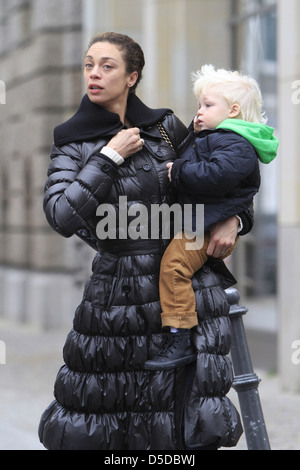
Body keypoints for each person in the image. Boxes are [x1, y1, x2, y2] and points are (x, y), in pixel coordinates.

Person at [38, 33, 253, 450]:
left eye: (107, 65)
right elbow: (62, 216)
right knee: (111, 419)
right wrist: (108, 157)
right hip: (118, 301)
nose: (94, 74)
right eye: (88, 65)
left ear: (132, 76)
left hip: (188, 288)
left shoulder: (167, 128)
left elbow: (229, 176)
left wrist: (236, 220)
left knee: (185, 422)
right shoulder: (73, 141)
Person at [144, 65, 278, 370]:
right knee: (173, 268)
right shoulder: (217, 137)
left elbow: (216, 176)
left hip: (205, 226)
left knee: (174, 267)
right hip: (199, 221)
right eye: (198, 105)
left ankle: (179, 336)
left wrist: (178, 171)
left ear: (232, 110)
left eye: (207, 105)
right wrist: (194, 131)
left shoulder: (235, 143)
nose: (199, 112)